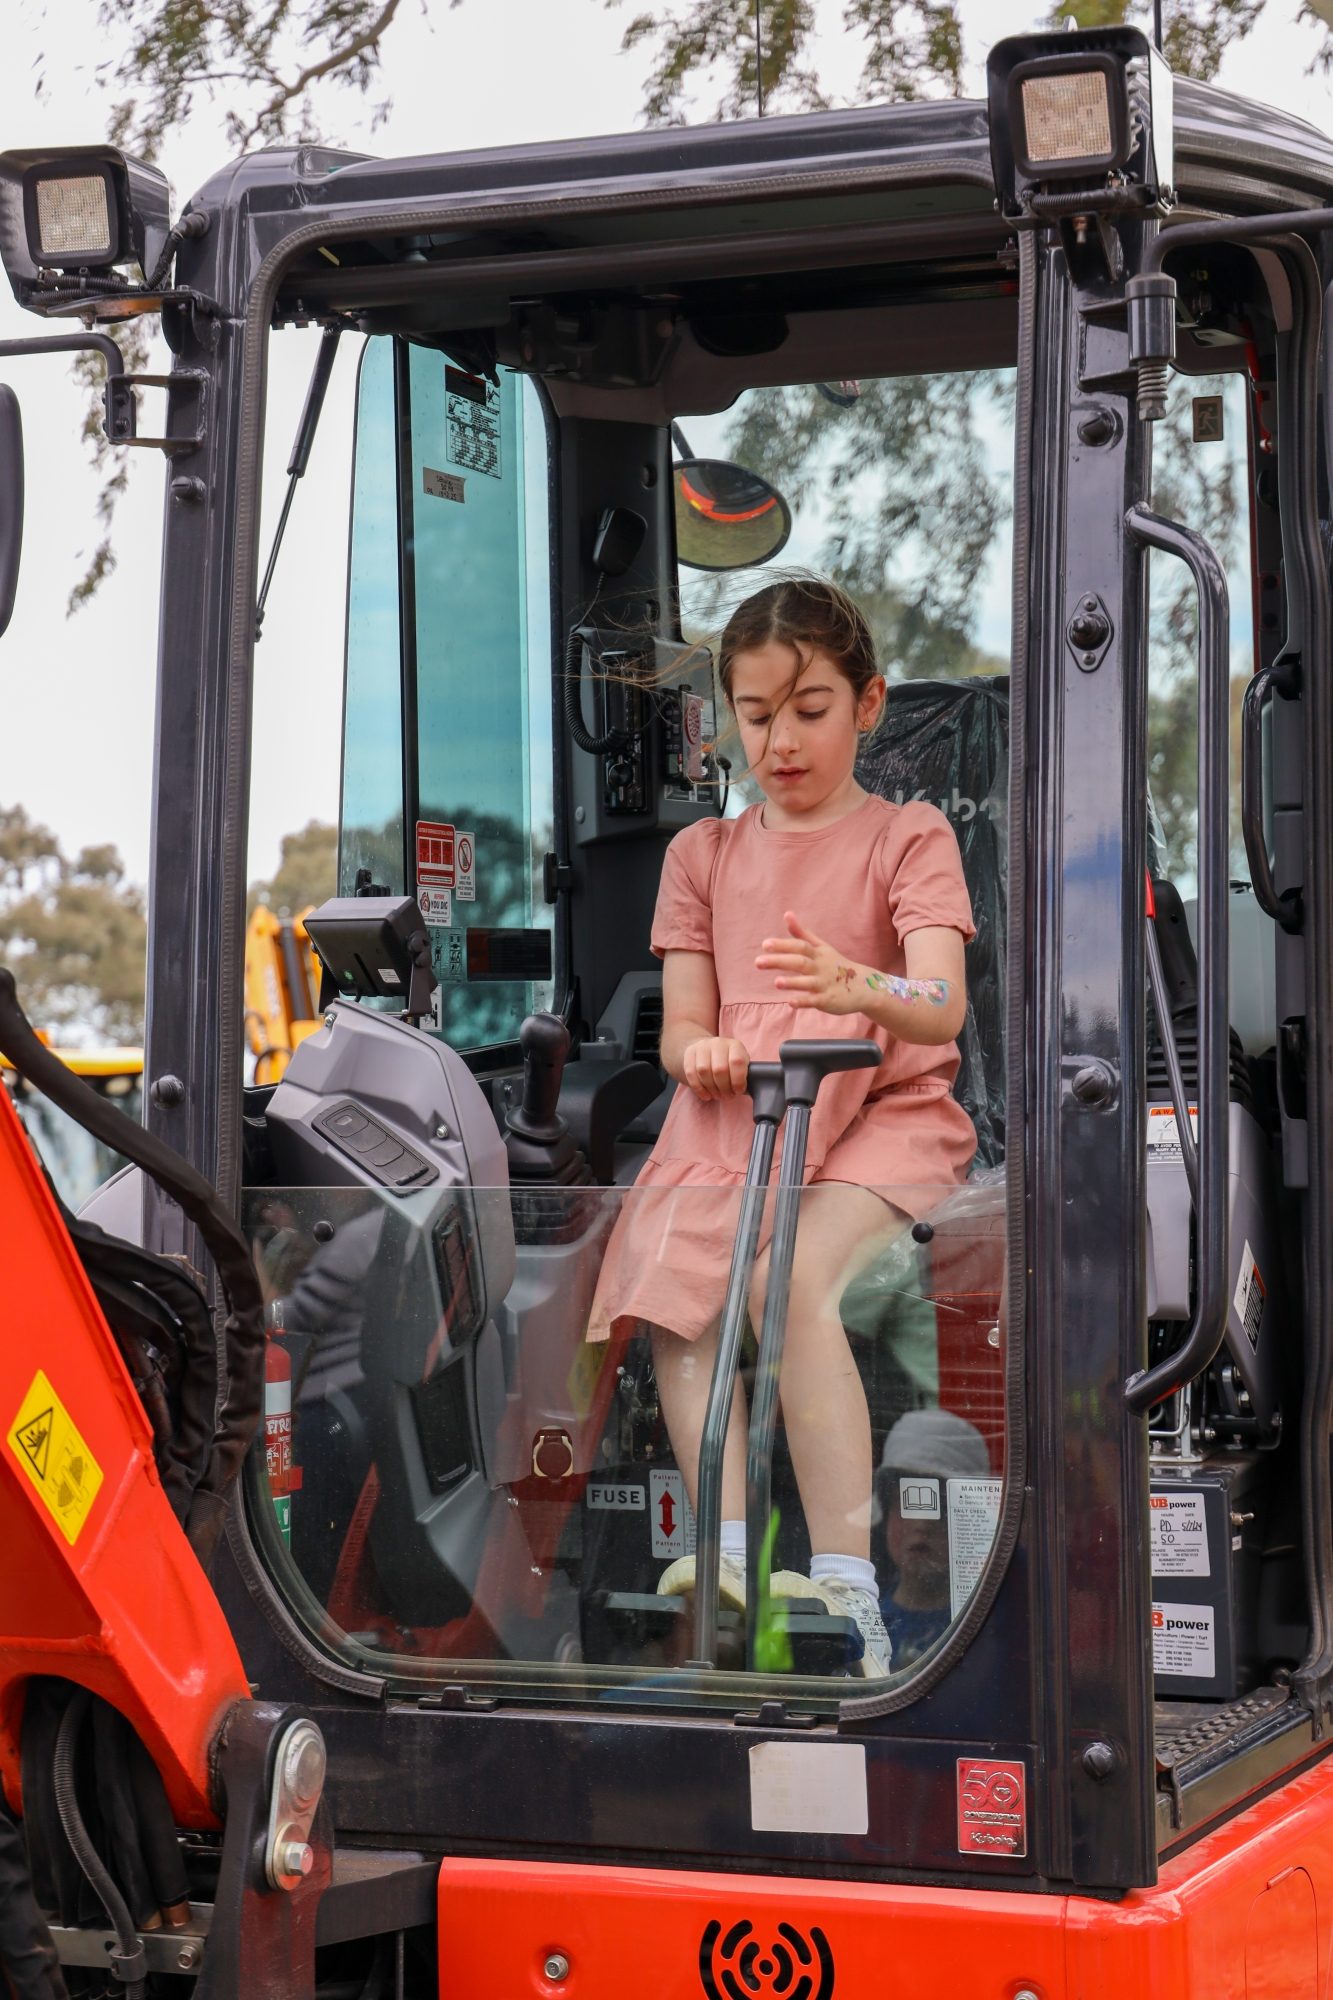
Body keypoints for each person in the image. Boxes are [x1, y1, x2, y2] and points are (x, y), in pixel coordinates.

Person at [587, 575, 977, 1677]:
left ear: (868, 702)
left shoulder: (909, 835)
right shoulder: (701, 855)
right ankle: (722, 1556)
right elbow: (685, 1030)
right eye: (755, 715)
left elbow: (940, 1005)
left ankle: (848, 1582)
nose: (781, 739)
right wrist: (698, 1052)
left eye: (808, 708)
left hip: (881, 1115)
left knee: (781, 1283)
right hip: (748, 1111)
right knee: (674, 1284)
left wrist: (856, 981)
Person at [874, 1408, 991, 1669]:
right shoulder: (867, 1620)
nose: (921, 1524)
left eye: (942, 1507)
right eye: (907, 1503)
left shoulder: (991, 1622)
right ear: (886, 1511)